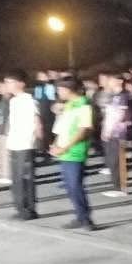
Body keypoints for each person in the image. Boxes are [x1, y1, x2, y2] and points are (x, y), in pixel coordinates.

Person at [49, 75, 96, 231]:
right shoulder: (69, 105)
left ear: (69, 89)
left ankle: (86, 219)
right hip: (64, 151)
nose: (59, 92)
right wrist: (56, 144)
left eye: (60, 89)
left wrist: (65, 147)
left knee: (75, 186)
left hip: (75, 151)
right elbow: (62, 127)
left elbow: (83, 130)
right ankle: (80, 216)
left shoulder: (84, 105)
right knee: (70, 187)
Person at [4, 71, 41, 220]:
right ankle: (20, 208)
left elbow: (37, 122)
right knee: (16, 179)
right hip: (14, 143)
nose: (7, 85)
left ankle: (28, 210)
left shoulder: (29, 100)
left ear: (21, 83)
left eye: (10, 82)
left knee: (24, 178)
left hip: (25, 144)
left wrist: (38, 140)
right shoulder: (13, 101)